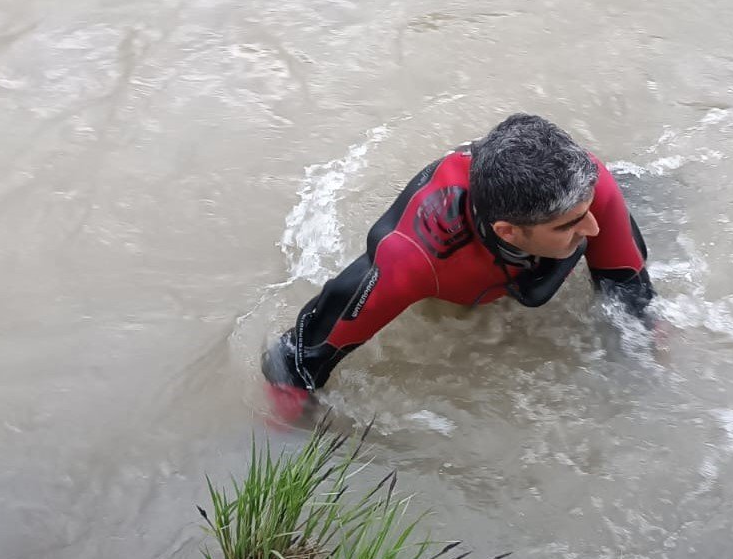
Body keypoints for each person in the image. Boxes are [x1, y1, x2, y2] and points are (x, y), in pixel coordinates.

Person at [262, 113, 655, 420]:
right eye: (571, 224)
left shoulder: (591, 184)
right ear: (509, 231)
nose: (594, 228)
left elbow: (630, 294)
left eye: (586, 212)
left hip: (523, 225)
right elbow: (293, 359)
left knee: (645, 197)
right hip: (466, 253)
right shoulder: (412, 258)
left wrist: (645, 378)